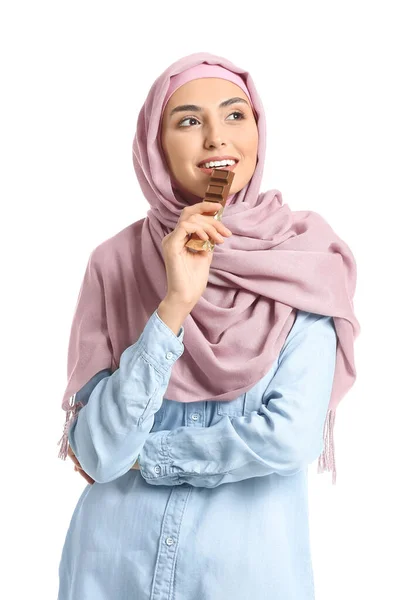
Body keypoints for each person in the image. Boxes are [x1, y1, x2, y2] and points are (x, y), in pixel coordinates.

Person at [57, 52, 360, 600]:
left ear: (258, 132)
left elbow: (289, 437)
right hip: (111, 572)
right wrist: (173, 304)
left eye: (235, 116)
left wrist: (147, 457)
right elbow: (101, 456)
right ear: (155, 144)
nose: (217, 139)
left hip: (245, 580)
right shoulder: (116, 263)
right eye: (189, 121)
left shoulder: (306, 262)